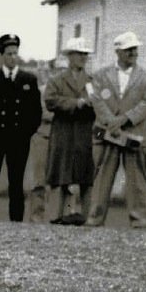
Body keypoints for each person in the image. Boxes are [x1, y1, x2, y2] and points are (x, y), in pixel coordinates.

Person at [86, 31, 146, 228]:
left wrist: (124, 119)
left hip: (136, 134)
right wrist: (111, 122)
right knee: (101, 177)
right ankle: (95, 219)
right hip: (105, 133)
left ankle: (139, 221)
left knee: (137, 180)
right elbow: (97, 100)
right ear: (118, 52)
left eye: (135, 49)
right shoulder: (100, 74)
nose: (133, 52)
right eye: (128, 49)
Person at [0, 34, 42, 222]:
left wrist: (27, 133)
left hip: (18, 139)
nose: (13, 57)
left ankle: (16, 220)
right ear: (2, 56)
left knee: (16, 180)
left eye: (15, 53)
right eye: (9, 54)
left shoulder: (28, 79)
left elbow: (36, 112)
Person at [43, 37, 95, 225]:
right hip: (63, 134)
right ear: (69, 57)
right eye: (79, 54)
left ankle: (89, 218)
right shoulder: (57, 80)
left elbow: (102, 102)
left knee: (86, 176)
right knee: (61, 175)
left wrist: (91, 105)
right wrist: (76, 103)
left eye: (85, 54)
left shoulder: (93, 81)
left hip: (85, 134)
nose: (83, 58)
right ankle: (58, 215)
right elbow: (50, 101)